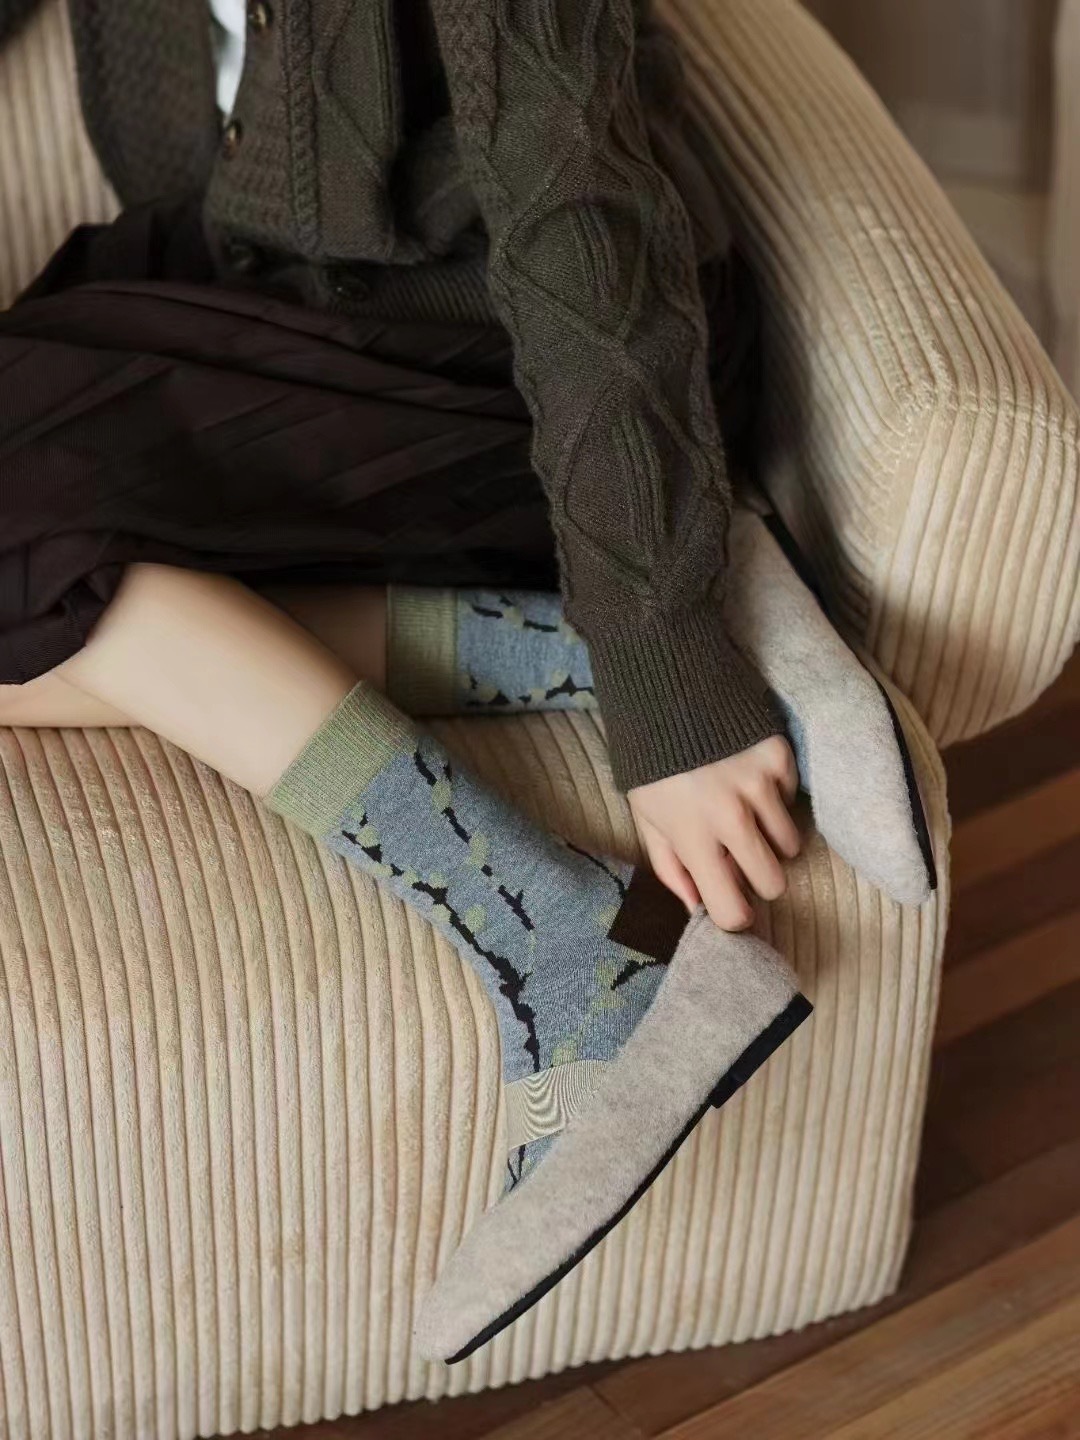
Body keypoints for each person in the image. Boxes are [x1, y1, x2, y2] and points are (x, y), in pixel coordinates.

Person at [0, 0, 932, 1361]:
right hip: (252, 296)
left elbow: (577, 201)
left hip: (502, 359)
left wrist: (665, 671)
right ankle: (572, 669)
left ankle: (562, 928)